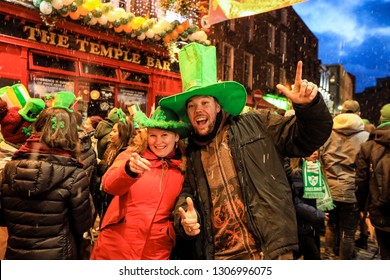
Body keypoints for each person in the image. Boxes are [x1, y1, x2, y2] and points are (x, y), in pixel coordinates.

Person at [159, 42, 333, 260]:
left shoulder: (258, 124)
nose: (198, 110)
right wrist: (184, 217)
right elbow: (188, 193)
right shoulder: (191, 151)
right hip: (223, 257)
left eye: (205, 102)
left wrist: (309, 107)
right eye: (192, 105)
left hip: (269, 253)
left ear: (218, 106)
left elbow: (308, 138)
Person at [90, 106, 190, 260]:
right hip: (116, 245)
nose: (158, 142)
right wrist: (128, 171)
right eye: (153, 135)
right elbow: (109, 185)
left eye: (164, 135)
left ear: (176, 136)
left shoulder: (184, 167)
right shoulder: (133, 154)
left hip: (156, 250)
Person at [0, 104, 94, 259]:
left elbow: (3, 219)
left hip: (16, 255)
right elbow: (83, 224)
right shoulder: (75, 174)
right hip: (57, 256)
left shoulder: (10, 168)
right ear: (71, 134)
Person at [320, 99, 369, 259]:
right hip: (351, 190)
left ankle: (329, 257)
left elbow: (321, 159)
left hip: (330, 188)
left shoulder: (328, 132)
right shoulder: (365, 137)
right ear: (359, 114)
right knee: (347, 232)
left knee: (331, 225)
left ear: (341, 112)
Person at [356, 103, 390, 259]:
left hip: (381, 209)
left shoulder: (369, 146)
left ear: (382, 118)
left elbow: (362, 181)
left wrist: (362, 207)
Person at [290, 151, 327, 260]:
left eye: (317, 149)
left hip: (313, 224)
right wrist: (317, 214)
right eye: (311, 150)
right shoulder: (298, 173)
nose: (315, 152)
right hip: (303, 225)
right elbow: (295, 201)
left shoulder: (317, 168)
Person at [97, 117, 134, 222]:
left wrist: (101, 165)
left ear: (123, 133)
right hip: (105, 193)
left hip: (114, 198)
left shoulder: (124, 152)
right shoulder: (111, 148)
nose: (110, 134)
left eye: (114, 131)